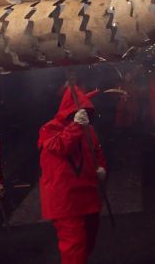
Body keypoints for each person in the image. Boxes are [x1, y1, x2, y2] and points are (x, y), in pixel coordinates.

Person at [39, 85, 107, 264]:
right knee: (74, 248)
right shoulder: (50, 128)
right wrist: (75, 126)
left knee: (88, 243)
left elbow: (96, 152)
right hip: (66, 200)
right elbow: (58, 146)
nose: (84, 113)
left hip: (88, 196)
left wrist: (101, 168)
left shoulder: (88, 130)